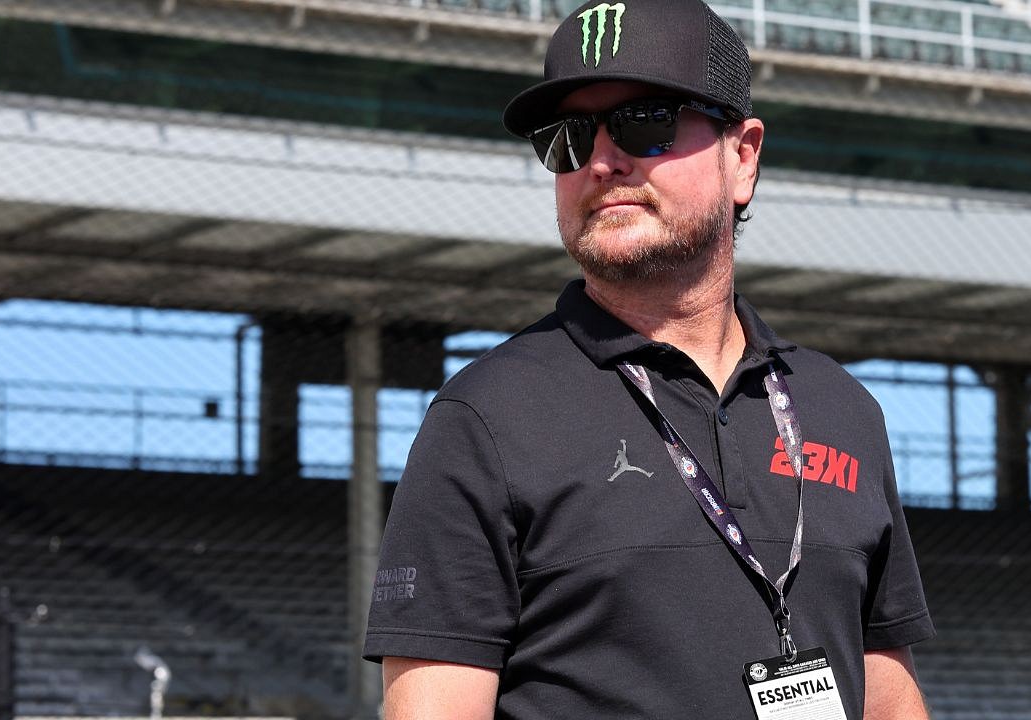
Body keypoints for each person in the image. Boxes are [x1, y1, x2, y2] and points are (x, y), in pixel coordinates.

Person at [363, 1, 935, 718]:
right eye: (568, 138)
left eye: (645, 122)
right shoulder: (485, 418)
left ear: (743, 156)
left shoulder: (841, 408)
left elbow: (888, 696)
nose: (602, 161)